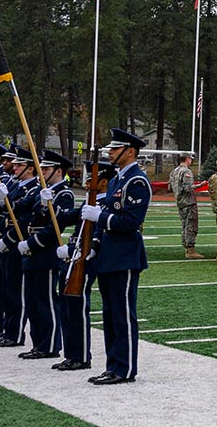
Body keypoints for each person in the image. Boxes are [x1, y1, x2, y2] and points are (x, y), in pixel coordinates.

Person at [81, 128, 151, 385]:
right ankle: (113, 366)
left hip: (125, 256)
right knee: (110, 315)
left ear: (129, 151)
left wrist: (100, 217)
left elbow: (131, 221)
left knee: (122, 315)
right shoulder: (115, 181)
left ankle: (125, 368)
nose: (110, 153)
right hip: (109, 255)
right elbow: (107, 219)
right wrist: (95, 244)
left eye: (114, 149)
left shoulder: (136, 181)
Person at [14, 149, 74, 361]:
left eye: (46, 169)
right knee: (32, 302)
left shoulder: (64, 194)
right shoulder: (43, 191)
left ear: (58, 171)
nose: (42, 173)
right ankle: (38, 343)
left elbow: (54, 226)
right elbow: (24, 211)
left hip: (46, 251)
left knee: (46, 302)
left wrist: (31, 243)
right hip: (32, 251)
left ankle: (50, 345)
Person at [53, 159, 110, 373]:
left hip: (86, 260)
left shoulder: (104, 204)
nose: (86, 183)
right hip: (72, 257)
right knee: (67, 308)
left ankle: (81, 356)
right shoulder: (89, 202)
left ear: (103, 182)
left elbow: (97, 234)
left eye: (91, 178)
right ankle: (71, 354)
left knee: (77, 307)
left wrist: (82, 250)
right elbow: (66, 218)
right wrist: (47, 206)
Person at [0, 147, 38, 348]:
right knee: (6, 289)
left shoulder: (33, 188)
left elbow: (22, 218)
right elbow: (2, 211)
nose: (14, 167)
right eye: (14, 164)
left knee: (16, 292)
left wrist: (5, 239)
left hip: (18, 241)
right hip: (7, 239)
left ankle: (15, 333)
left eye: (19, 164)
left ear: (31, 168)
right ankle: (8, 330)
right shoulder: (16, 185)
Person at [168, 154, 201, 259]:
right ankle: (190, 250)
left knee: (184, 225)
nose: (191, 161)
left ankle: (186, 247)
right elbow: (188, 188)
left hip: (180, 201)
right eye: (190, 159)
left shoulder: (174, 171)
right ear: (187, 159)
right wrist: (200, 185)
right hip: (188, 202)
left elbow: (169, 187)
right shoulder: (186, 171)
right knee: (191, 225)